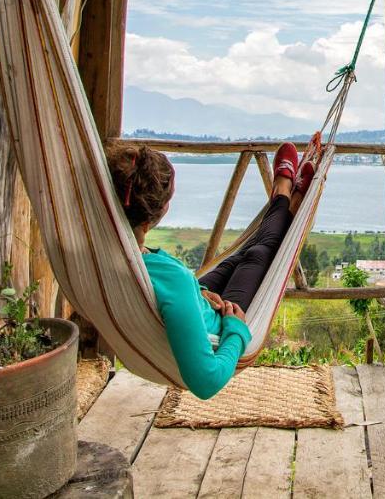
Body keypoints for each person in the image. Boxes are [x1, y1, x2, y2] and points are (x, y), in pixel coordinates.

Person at [106, 141, 316, 398]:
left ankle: (284, 200)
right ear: (156, 215)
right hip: (219, 325)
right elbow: (206, 381)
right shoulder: (176, 280)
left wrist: (199, 291)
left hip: (186, 298)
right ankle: (284, 195)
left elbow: (174, 290)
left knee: (237, 257)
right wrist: (237, 330)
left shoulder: (102, 255)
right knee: (260, 253)